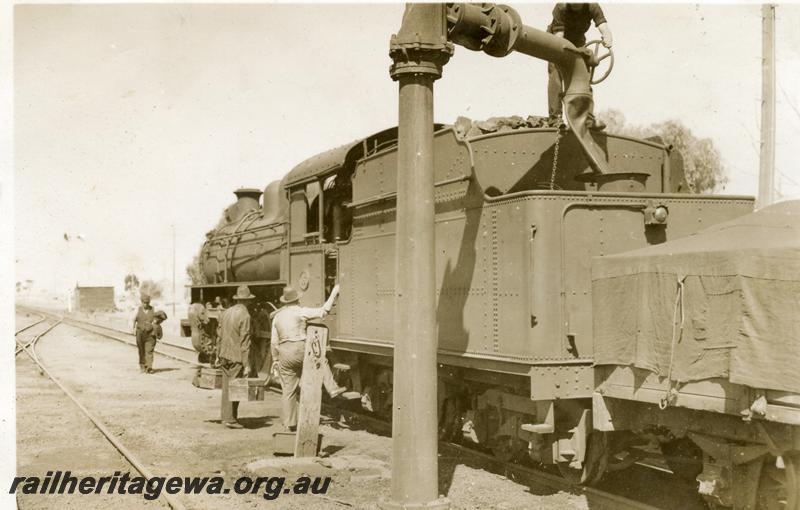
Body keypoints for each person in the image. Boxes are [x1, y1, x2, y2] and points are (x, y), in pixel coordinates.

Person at [271, 284, 347, 432]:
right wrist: (334, 292)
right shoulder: (300, 311)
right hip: (300, 348)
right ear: (296, 300)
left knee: (288, 391)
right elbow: (324, 312)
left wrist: (275, 360)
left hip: (284, 354)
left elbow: (273, 342)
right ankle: (331, 388)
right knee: (321, 359)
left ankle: (289, 425)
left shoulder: (277, 317)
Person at [547, 3, 613, 129]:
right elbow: (559, 40)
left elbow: (604, 27)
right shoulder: (560, 8)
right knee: (556, 73)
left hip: (577, 40)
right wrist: (578, 54)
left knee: (583, 77)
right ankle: (555, 119)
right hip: (556, 40)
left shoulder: (593, 7)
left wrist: (607, 37)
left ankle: (587, 118)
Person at [217, 284, 256, 429]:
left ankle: (225, 416)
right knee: (235, 387)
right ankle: (231, 419)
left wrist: (217, 354)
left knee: (227, 386)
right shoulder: (245, 315)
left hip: (224, 354)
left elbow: (219, 335)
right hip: (236, 356)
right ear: (247, 300)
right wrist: (246, 364)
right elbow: (245, 340)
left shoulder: (227, 312)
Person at [132, 294, 156, 373]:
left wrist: (155, 325)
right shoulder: (137, 309)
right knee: (141, 350)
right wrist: (133, 329)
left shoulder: (153, 309)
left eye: (147, 302)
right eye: (144, 303)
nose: (146, 304)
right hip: (140, 333)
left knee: (149, 350)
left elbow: (158, 320)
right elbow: (133, 319)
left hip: (150, 334)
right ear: (141, 302)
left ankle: (149, 367)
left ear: (149, 302)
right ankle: (142, 366)